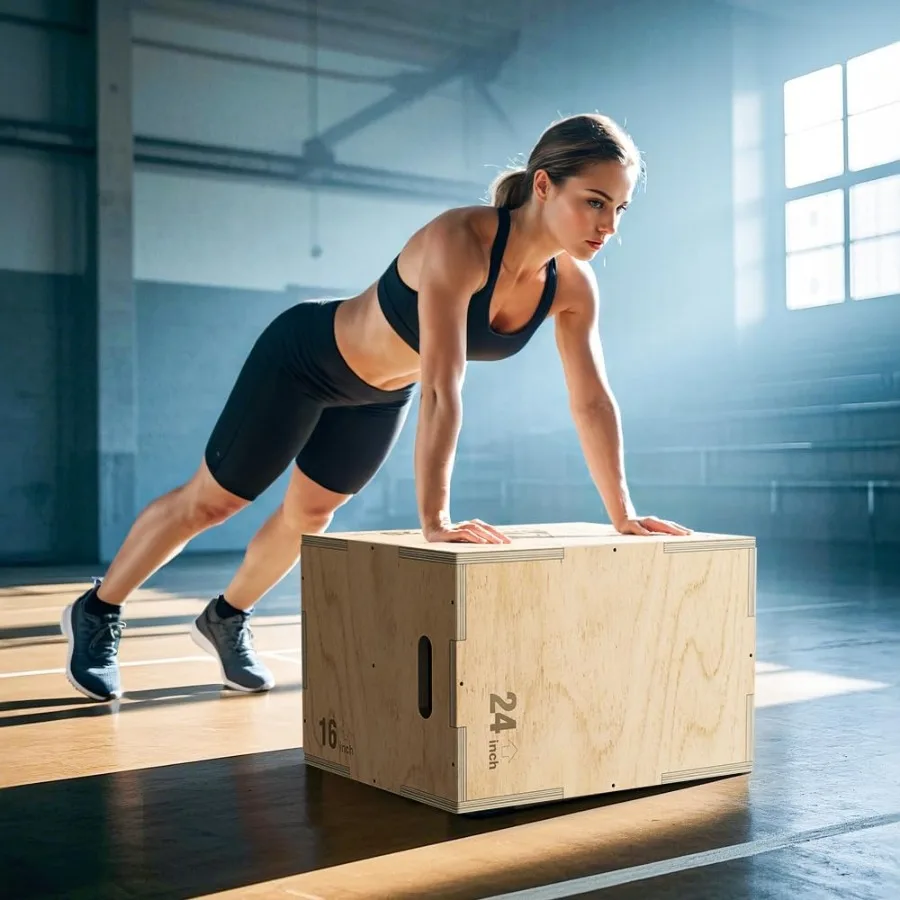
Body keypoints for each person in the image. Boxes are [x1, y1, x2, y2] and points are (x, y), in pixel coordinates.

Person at [61, 112, 692, 703]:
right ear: (545, 185)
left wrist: (623, 514)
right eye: (596, 202)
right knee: (215, 501)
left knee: (311, 516)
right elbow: (445, 387)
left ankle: (225, 618)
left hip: (377, 393)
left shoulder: (573, 287)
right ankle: (98, 609)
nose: (608, 226)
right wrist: (435, 518)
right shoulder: (460, 240)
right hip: (304, 360)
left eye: (620, 209)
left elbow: (589, 398)